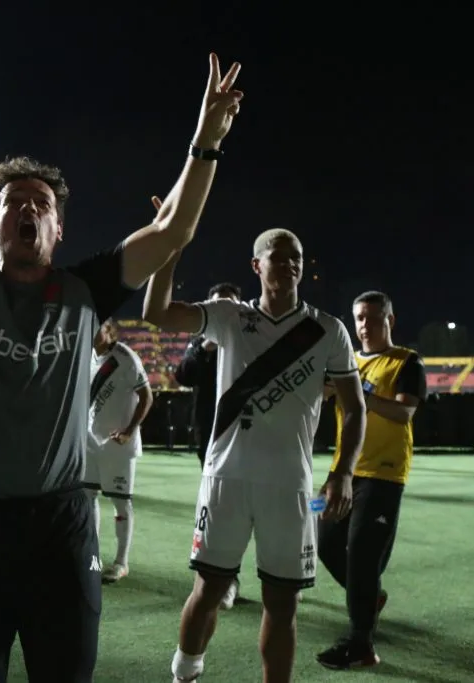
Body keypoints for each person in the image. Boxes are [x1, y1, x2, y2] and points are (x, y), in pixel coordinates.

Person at [0, 23, 243, 682]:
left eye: (42, 205)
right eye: (12, 203)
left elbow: (175, 229)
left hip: (59, 523)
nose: (27, 209)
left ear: (58, 230)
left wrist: (207, 141)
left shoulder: (86, 291)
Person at [143, 227, 367, 683]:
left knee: (283, 604)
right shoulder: (229, 317)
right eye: (278, 257)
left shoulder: (329, 329)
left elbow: (355, 407)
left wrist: (343, 471)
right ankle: (185, 672)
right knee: (208, 589)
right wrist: (169, 252)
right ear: (255, 266)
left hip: (290, 487)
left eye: (296, 257)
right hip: (226, 479)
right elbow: (156, 312)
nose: (289, 265)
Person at [316, 290, 426, 670]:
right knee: (325, 542)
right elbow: (321, 399)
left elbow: (403, 413)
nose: (364, 325)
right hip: (343, 471)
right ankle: (369, 598)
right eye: (359, 317)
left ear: (390, 320)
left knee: (362, 554)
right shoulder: (345, 363)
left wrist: (358, 392)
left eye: (373, 318)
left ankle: (361, 643)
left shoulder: (407, 361)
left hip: (384, 474)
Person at [173, 282, 242, 610]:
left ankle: (278, 578)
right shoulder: (201, 342)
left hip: (250, 434)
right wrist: (207, 348)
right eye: (217, 305)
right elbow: (183, 376)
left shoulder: (252, 338)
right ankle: (227, 579)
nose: (223, 311)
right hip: (212, 438)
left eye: (229, 304)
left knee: (251, 506)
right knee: (219, 508)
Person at [83, 319, 153, 584]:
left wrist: (128, 431)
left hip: (117, 446)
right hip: (90, 442)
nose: (91, 332)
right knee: (87, 498)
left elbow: (147, 396)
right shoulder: (86, 356)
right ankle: (93, 557)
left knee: (120, 503)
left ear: (108, 330)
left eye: (97, 327)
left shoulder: (125, 357)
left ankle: (121, 562)